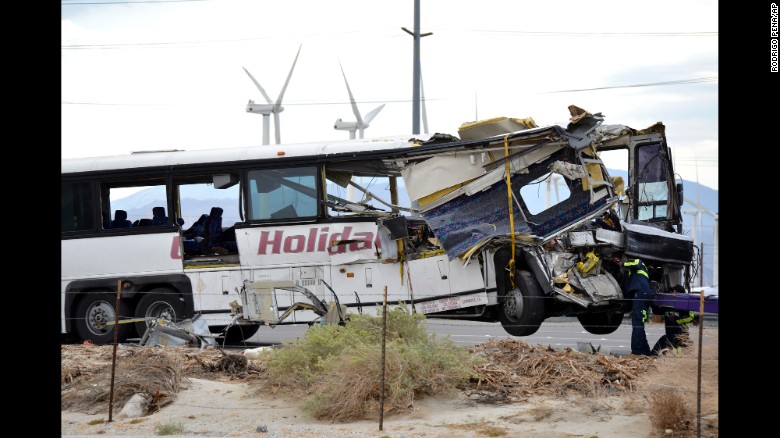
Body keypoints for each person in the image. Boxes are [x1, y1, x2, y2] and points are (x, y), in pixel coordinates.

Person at [622, 258, 653, 356]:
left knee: (637, 323)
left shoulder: (640, 263)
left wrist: (622, 263)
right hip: (642, 295)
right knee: (639, 323)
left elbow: (636, 262)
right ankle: (645, 351)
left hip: (640, 294)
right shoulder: (633, 275)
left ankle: (637, 351)